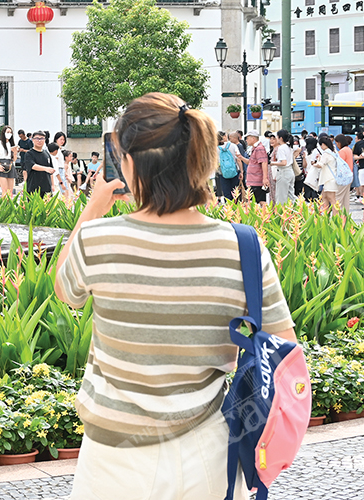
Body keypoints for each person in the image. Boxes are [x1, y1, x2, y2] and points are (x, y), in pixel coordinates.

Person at [53, 93, 295, 500]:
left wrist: (91, 209)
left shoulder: (98, 240)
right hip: (209, 449)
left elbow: (66, 290)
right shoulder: (242, 246)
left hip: (115, 455)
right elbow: (284, 349)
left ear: (129, 164)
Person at [237, 130, 269, 203]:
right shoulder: (255, 148)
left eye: (247, 138)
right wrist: (241, 157)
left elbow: (264, 162)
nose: (246, 140)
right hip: (253, 181)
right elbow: (251, 162)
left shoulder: (259, 148)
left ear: (253, 138)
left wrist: (265, 178)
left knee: (260, 201)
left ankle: (266, 214)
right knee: (253, 201)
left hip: (257, 181)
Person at [315, 136, 343, 213]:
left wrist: (314, 164)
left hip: (329, 179)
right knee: (324, 196)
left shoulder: (326, 153)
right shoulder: (333, 152)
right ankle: (326, 215)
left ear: (323, 144)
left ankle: (336, 217)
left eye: (321, 145)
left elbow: (321, 164)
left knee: (332, 198)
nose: (321, 147)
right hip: (331, 178)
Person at [23, 131, 55, 196]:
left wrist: (53, 185)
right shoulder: (29, 154)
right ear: (32, 140)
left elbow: (51, 171)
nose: (39, 141)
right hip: (33, 187)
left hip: (47, 187)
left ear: (45, 140)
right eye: (37, 138)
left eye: (42, 138)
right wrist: (46, 169)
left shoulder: (46, 154)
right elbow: (32, 166)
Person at [0, 126, 17, 198]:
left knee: (10, 191)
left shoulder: (11, 144)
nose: (9, 134)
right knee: (4, 191)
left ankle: (10, 206)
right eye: (8, 132)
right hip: (2, 165)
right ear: (3, 133)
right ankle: (4, 207)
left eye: (10, 132)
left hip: (10, 165)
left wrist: (15, 152)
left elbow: (14, 159)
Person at [272, 129, 296, 204]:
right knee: (291, 195)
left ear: (281, 138)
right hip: (290, 171)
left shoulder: (281, 148)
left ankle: (281, 214)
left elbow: (283, 163)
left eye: (277, 137)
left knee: (281, 197)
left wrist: (272, 163)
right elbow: (298, 149)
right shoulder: (289, 146)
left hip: (283, 172)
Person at [334, 134, 354, 212]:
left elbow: (339, 164)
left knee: (337, 198)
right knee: (346, 199)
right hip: (349, 176)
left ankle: (336, 216)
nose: (336, 145)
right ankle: (345, 217)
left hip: (343, 177)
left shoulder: (342, 151)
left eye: (336, 143)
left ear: (339, 142)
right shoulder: (348, 149)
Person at [302, 136, 321, 201]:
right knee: (315, 189)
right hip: (315, 172)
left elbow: (304, 165)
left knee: (307, 191)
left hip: (308, 173)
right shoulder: (317, 151)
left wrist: (304, 157)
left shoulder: (305, 152)